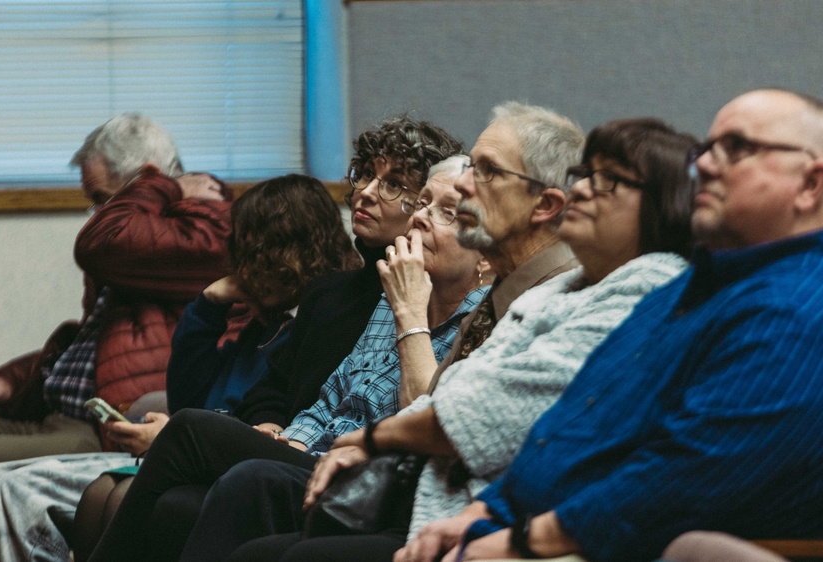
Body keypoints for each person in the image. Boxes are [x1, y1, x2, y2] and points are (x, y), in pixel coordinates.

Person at [397, 90, 823, 562]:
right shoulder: (710, 281)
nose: (701, 165)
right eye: (707, 148)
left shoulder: (793, 314)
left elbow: (679, 482)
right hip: (574, 528)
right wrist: (491, 510)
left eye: (736, 148)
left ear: (810, 184)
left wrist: (520, 538)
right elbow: (590, 417)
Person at [226, 116, 698, 562]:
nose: (582, 191)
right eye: (584, 174)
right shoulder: (557, 289)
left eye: (607, 180)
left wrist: (371, 438)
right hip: (437, 491)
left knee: (276, 522)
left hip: (475, 502)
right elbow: (431, 400)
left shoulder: (642, 290)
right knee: (250, 527)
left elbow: (472, 416)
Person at [81, 119, 466, 561]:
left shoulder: (417, 302)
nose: (366, 192)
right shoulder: (341, 296)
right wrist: (282, 429)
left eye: (395, 184)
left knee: (190, 431)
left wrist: (409, 314)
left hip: (362, 470)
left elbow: (418, 416)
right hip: (307, 447)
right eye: (365, 175)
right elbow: (298, 395)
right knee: (168, 501)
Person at [0, 174, 361, 562]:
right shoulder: (261, 324)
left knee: (92, 493)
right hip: (200, 444)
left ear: (279, 255)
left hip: (254, 457)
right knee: (75, 489)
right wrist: (207, 309)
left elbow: (264, 422)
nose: (240, 269)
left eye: (250, 255)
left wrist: (169, 434)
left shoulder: (311, 327)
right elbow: (191, 398)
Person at [0, 114, 234, 562]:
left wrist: (157, 186)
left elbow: (97, 242)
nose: (94, 212)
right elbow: (92, 341)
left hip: (107, 424)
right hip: (58, 407)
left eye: (99, 197)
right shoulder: (133, 228)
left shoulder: (210, 223)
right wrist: (14, 380)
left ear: (146, 179)